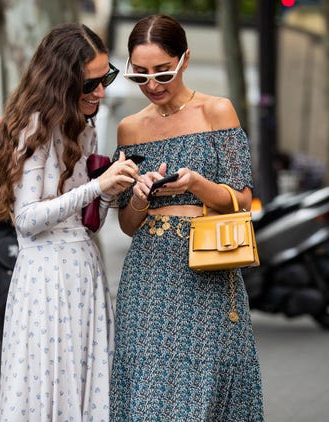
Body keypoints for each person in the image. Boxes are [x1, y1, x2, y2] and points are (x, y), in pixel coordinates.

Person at [0, 23, 139, 421]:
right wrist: (95, 187)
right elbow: (28, 220)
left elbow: (89, 223)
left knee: (84, 393)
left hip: (84, 273)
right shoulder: (35, 126)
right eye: (90, 84)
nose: (100, 92)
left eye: (106, 78)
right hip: (46, 279)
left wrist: (112, 188)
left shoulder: (83, 130)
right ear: (62, 83)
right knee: (48, 393)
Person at [110, 14, 264, 420]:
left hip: (208, 266)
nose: (153, 85)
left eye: (163, 72)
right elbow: (127, 225)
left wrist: (196, 184)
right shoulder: (129, 129)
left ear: (185, 60)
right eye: (140, 76)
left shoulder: (216, 111)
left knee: (207, 383)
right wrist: (141, 196)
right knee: (149, 388)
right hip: (148, 277)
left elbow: (243, 200)